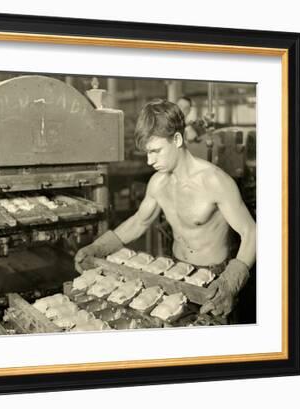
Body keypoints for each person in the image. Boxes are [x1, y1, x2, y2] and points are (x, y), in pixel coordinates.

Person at [75, 99, 256, 318]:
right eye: (147, 153)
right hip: (173, 271)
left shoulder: (215, 181)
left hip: (214, 278)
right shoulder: (159, 183)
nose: (150, 161)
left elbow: (251, 233)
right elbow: (138, 222)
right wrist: (99, 247)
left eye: (156, 151)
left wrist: (231, 281)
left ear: (177, 139)